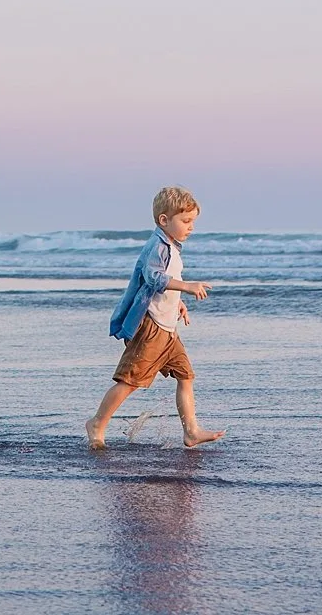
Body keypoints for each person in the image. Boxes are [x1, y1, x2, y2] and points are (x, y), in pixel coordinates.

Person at [86, 187, 224, 449]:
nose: (191, 227)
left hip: (168, 327)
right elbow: (154, 278)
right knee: (130, 381)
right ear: (164, 220)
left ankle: (191, 431)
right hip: (152, 327)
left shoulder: (171, 246)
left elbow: (166, 284)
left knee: (185, 375)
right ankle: (97, 423)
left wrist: (178, 302)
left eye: (193, 221)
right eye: (186, 221)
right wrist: (187, 287)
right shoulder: (158, 246)